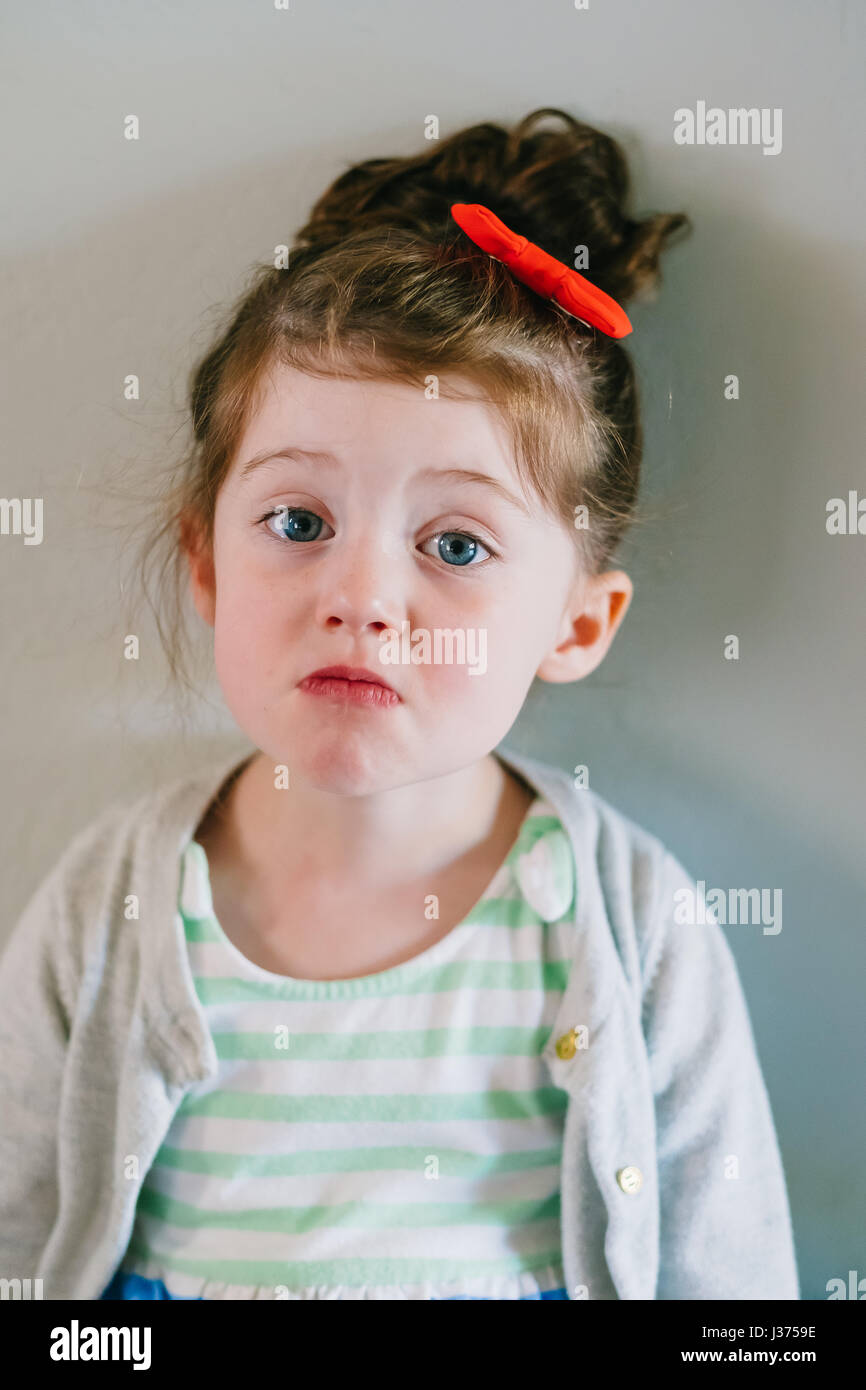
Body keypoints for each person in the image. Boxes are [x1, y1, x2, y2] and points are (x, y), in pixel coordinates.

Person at [0, 108, 798, 1301]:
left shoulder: (631, 925)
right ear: (207, 564)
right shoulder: (107, 906)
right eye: (300, 523)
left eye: (456, 543)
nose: (363, 598)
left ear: (576, 625)